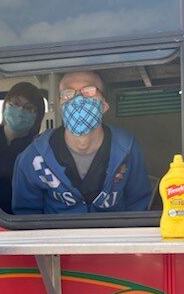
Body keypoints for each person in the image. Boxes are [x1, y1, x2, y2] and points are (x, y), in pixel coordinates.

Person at [12, 71, 152, 214]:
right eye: (68, 93)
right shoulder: (33, 156)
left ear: (103, 106)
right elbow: (26, 215)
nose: (77, 99)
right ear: (61, 107)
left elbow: (138, 205)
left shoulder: (128, 148)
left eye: (88, 91)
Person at [0, 82, 45, 214]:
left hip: (22, 220)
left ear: (37, 117)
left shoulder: (39, 149)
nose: (20, 110)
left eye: (29, 108)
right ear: (5, 104)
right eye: (16, 103)